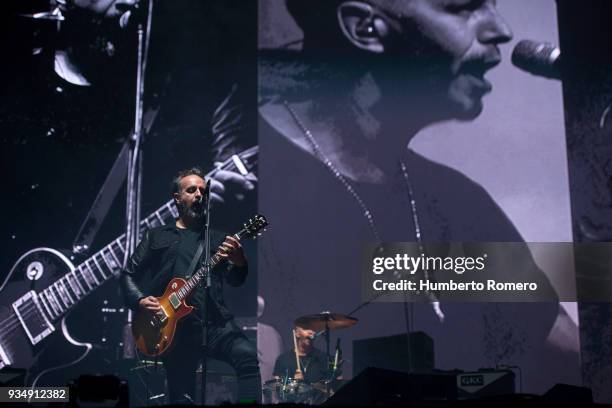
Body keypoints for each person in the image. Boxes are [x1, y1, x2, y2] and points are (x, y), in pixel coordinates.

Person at [258, 0, 573, 393]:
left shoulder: (458, 202)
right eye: (464, 7)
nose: (501, 29)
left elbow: (566, 350)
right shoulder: (236, 188)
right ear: (365, 28)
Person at [120, 167, 261, 404]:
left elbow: (236, 280)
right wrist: (141, 300)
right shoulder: (156, 235)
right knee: (181, 397)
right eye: (191, 190)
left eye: (203, 191)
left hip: (215, 323)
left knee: (247, 357)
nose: (199, 194)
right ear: (177, 198)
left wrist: (239, 261)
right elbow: (127, 276)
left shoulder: (217, 239)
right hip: (174, 330)